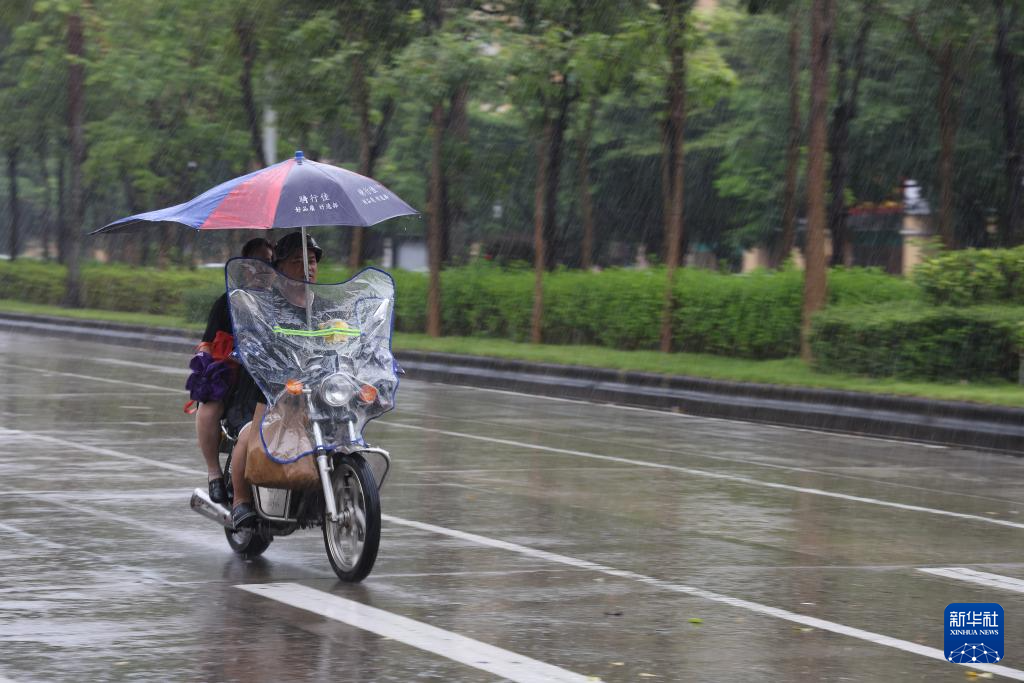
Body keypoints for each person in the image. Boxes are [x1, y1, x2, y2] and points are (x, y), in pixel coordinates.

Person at [231, 231, 323, 528]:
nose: (307, 267)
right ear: (279, 267)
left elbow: (349, 338)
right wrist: (261, 353)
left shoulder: (325, 306)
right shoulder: (263, 305)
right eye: (297, 260)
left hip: (316, 391)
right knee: (250, 434)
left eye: (311, 260)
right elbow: (249, 338)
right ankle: (240, 501)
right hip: (266, 391)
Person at [191, 237, 274, 504]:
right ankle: (214, 474)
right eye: (256, 263)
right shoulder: (228, 302)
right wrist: (207, 366)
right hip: (234, 375)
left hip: (272, 376)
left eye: (269, 262)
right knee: (210, 405)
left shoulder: (281, 303)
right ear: (245, 267)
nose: (263, 269)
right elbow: (207, 342)